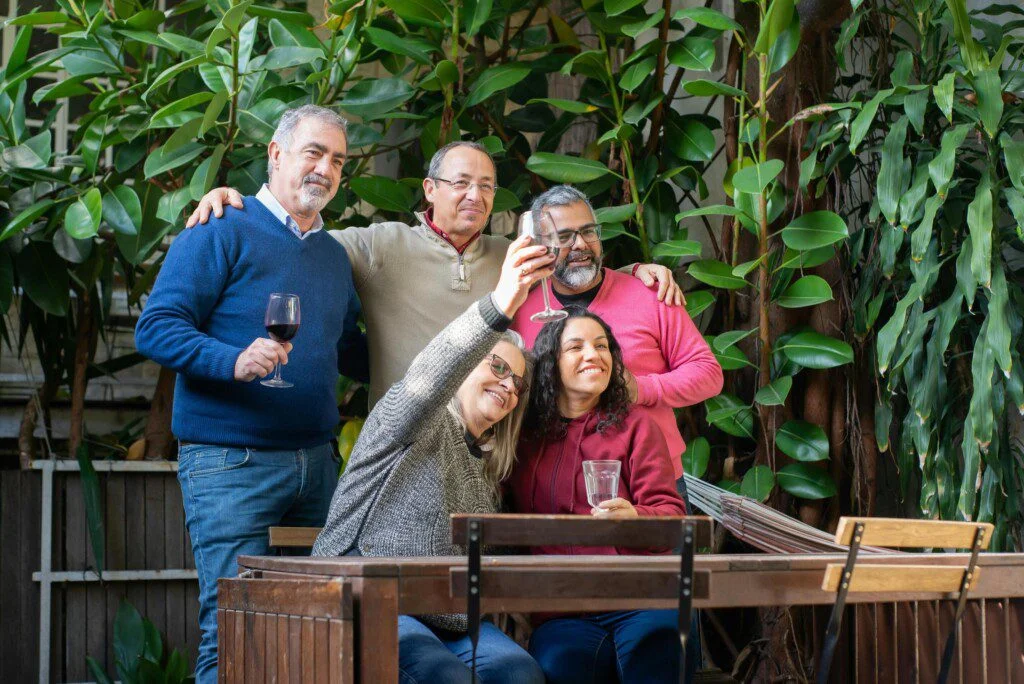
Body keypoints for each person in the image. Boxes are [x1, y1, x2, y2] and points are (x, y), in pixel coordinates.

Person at [134, 105, 368, 684]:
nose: (325, 169)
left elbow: (348, 351)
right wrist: (232, 361)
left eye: (337, 160)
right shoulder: (221, 226)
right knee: (233, 630)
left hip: (316, 466)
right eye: (313, 152)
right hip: (229, 463)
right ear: (276, 154)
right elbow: (156, 326)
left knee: (313, 631)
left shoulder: (333, 255)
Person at [186, 142, 685, 406]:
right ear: (429, 189)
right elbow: (295, 242)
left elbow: (582, 270)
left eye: (487, 186)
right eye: (461, 183)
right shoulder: (379, 244)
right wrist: (237, 203)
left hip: (495, 437)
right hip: (405, 439)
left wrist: (642, 270)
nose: (476, 196)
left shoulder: (513, 254)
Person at [311, 235, 553, 684]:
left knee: (522, 675)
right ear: (465, 368)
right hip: (370, 600)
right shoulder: (409, 417)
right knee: (443, 677)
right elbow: (434, 370)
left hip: (452, 624)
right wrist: (500, 303)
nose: (508, 385)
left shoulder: (486, 468)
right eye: (497, 367)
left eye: (517, 382)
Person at [506, 308, 689, 684]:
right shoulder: (524, 434)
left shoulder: (637, 425)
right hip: (561, 609)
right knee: (561, 666)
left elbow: (671, 515)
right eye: (576, 347)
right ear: (550, 364)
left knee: (657, 650)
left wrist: (634, 517)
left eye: (602, 346)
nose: (594, 354)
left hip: (638, 598)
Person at [510, 185, 724, 490]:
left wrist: (643, 389)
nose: (581, 244)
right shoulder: (525, 311)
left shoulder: (650, 294)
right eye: (565, 237)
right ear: (540, 245)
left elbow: (709, 374)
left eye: (588, 232)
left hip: (651, 480)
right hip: (556, 485)